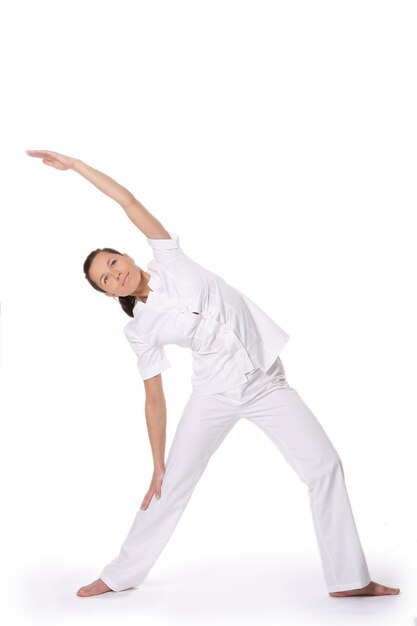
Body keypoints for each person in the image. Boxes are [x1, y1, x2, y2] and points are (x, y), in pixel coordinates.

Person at [26, 149, 400, 599]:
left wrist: (78, 167)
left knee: (324, 466)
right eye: (104, 280)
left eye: (111, 264)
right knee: (170, 484)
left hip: (265, 383)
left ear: (125, 254)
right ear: (108, 295)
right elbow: (154, 398)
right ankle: (119, 574)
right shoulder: (140, 329)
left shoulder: (169, 257)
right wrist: (157, 463)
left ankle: (349, 580)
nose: (114, 275)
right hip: (214, 395)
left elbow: (126, 200)